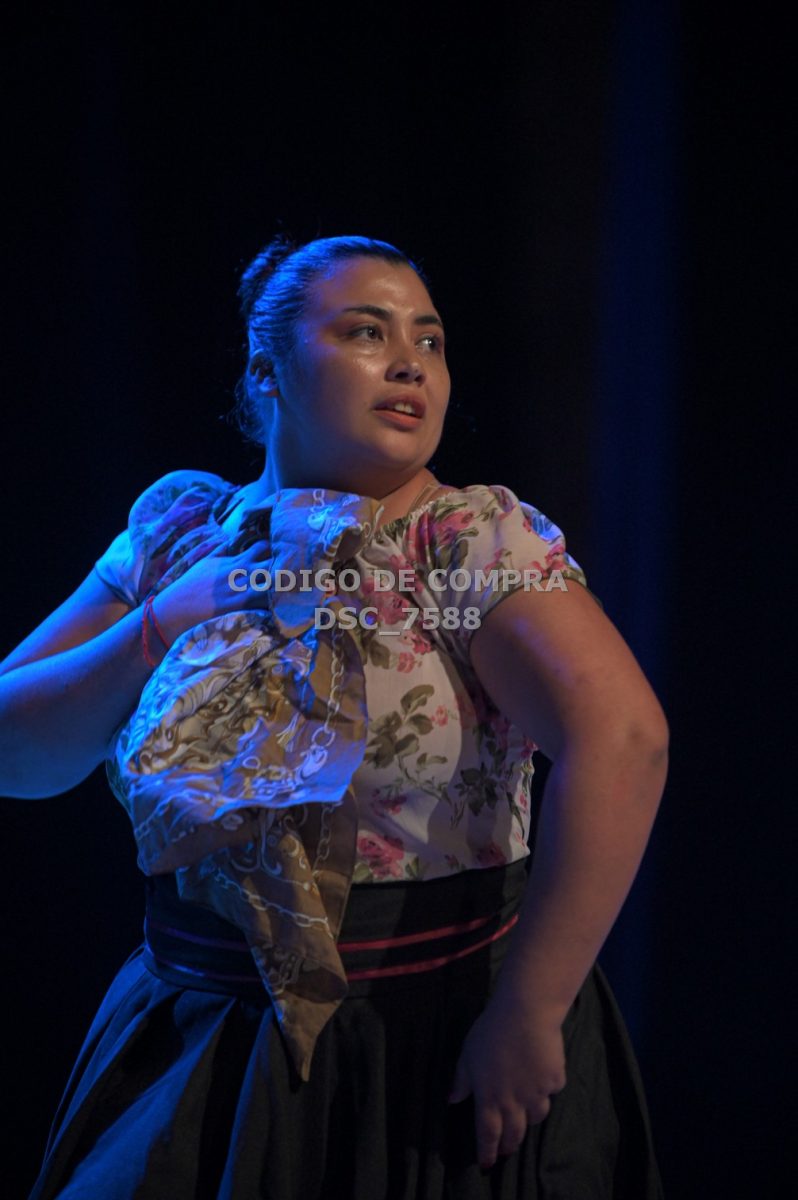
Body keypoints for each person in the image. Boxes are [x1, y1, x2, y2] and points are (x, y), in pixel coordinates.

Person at [1, 234, 668, 1199]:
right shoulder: (181, 533)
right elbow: (15, 751)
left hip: (426, 1039)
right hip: (201, 1036)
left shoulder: (464, 543)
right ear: (265, 371)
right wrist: (156, 625)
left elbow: (625, 741)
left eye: (429, 341)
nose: (409, 363)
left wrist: (532, 1008)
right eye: (366, 331)